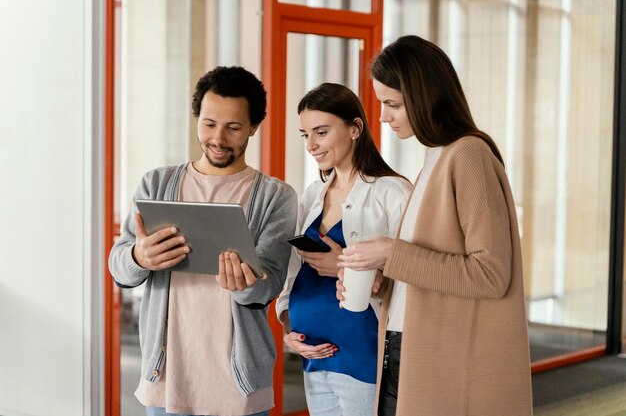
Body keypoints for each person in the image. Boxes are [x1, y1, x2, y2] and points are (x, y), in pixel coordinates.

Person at [336, 35, 533, 416]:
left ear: (425, 96)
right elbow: (430, 270)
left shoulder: (468, 156)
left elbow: (490, 274)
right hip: (405, 349)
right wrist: (383, 282)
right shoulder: (435, 159)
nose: (383, 117)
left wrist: (392, 253)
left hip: (440, 359)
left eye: (392, 104)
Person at [108, 66, 298, 416]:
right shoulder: (156, 183)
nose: (218, 138)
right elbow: (119, 266)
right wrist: (138, 257)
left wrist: (245, 284)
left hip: (238, 386)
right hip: (165, 380)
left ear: (254, 127)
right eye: (209, 124)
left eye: (233, 127)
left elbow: (268, 285)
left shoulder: (275, 197)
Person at [275, 82, 412, 416]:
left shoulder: (392, 192)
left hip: (360, 352)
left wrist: (345, 265)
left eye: (320, 132)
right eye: (304, 134)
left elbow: (412, 276)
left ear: (355, 128)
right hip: (313, 352)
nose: (311, 145)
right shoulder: (313, 193)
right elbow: (295, 272)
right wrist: (288, 329)